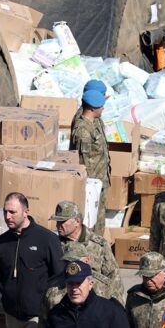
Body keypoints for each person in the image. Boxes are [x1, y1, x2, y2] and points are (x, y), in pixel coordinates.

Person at [0, 192, 64, 328]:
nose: (7, 217)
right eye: (5, 212)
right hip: (11, 317)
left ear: (26, 212)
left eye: (12, 212)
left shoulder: (47, 240)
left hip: (38, 318)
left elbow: (60, 279)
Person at [50, 200, 124, 303]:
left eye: (62, 222)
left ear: (77, 221)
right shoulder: (54, 244)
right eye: (57, 221)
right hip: (62, 302)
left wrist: (118, 304)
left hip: (93, 301)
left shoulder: (98, 244)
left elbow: (113, 275)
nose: (58, 225)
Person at [69, 81, 111, 236]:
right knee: (90, 223)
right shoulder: (83, 130)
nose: (104, 107)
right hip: (91, 184)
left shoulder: (95, 120)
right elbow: (83, 161)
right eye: (101, 103)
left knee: (98, 221)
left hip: (99, 181)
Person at [46, 260, 129, 328]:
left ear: (90, 284)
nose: (74, 289)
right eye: (70, 283)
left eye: (78, 283)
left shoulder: (111, 312)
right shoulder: (55, 315)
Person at [125, 252, 165, 328]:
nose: (148, 281)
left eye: (152, 275)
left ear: (164, 273)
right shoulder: (134, 295)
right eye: (145, 276)